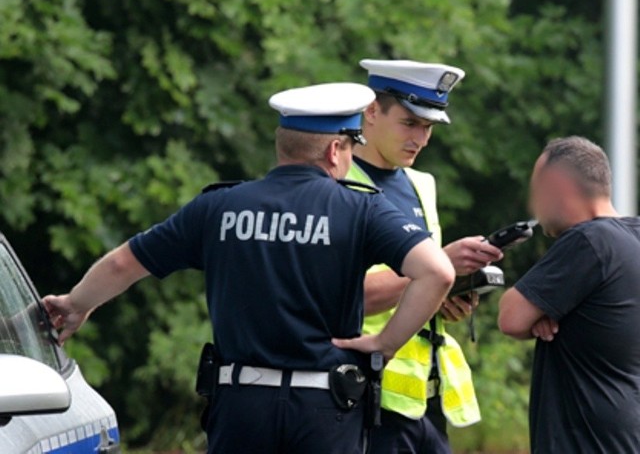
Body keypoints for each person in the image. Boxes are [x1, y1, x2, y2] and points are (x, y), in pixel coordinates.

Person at [43, 82, 456, 454]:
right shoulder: (361, 208)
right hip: (325, 410)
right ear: (335, 151)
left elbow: (123, 263)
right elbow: (437, 272)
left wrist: (75, 304)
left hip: (240, 408)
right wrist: (385, 343)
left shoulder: (218, 206)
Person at [346, 59, 504, 454]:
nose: (421, 138)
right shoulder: (338, 184)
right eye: (410, 123)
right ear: (371, 112)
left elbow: (419, 283)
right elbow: (345, 293)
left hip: (426, 401)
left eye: (429, 127)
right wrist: (439, 270)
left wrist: (443, 297)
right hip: (362, 394)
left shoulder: (422, 184)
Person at [498, 136, 640, 453]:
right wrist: (545, 311)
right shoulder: (632, 239)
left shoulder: (591, 240)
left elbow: (511, 317)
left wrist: (539, 311)